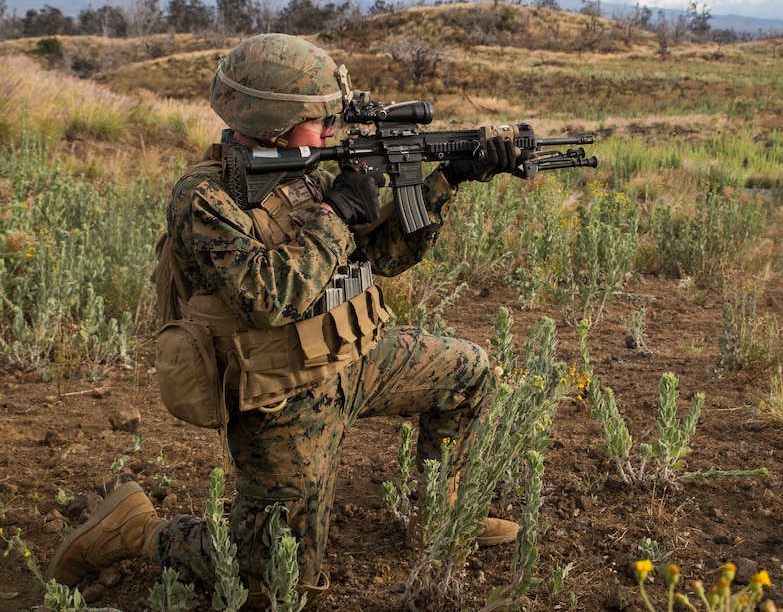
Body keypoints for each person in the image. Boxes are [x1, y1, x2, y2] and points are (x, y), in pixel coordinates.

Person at [47, 33, 526, 604]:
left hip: (352, 356)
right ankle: (137, 530)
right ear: (272, 121)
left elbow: (383, 258)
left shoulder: (308, 171)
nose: (331, 134)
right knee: (275, 577)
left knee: (468, 373)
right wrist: (337, 212)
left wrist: (448, 179)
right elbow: (268, 297)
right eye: (318, 122)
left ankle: (443, 514)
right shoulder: (203, 199)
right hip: (279, 394)